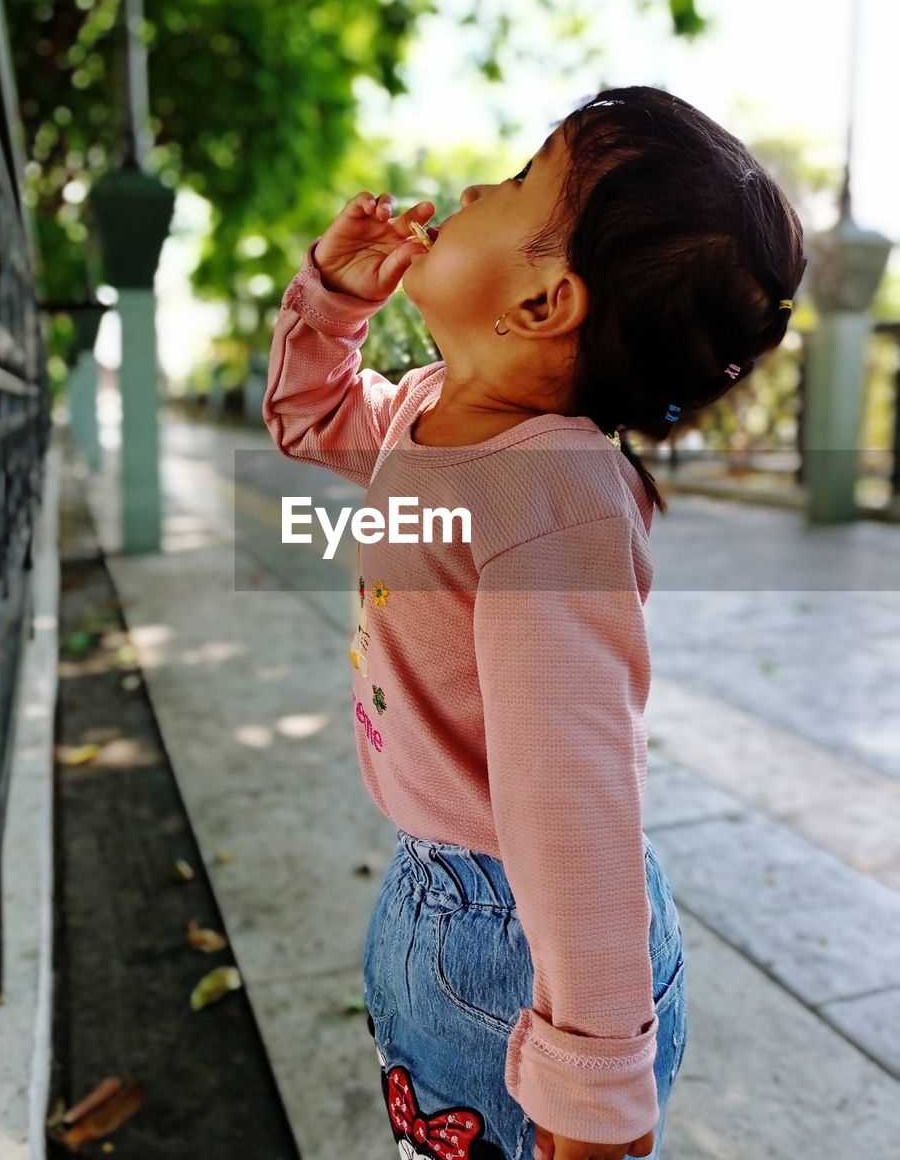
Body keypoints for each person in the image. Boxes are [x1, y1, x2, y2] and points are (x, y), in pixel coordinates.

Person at [262, 85, 806, 1160]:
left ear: (544, 302)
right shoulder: (430, 408)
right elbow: (309, 418)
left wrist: (596, 1085)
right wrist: (332, 302)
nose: (469, 188)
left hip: (514, 941)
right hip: (443, 893)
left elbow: (576, 798)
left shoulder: (546, 497)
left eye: (514, 183)